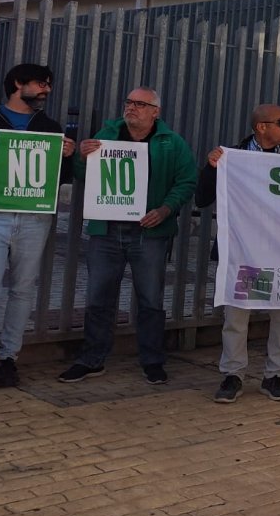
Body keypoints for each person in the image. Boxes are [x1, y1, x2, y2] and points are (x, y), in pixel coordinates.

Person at [59, 87, 197, 386]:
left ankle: (153, 360)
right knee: (98, 297)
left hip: (150, 232)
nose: (132, 107)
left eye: (140, 104)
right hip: (106, 230)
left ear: (155, 112)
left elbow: (187, 181)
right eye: (129, 102)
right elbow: (84, 174)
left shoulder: (171, 142)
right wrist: (82, 157)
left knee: (150, 299)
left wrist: (165, 209)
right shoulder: (107, 135)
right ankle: (91, 359)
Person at [0, 64, 75, 399]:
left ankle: (8, 359)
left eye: (49, 84)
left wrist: (68, 156)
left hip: (35, 218)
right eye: (41, 83)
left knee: (22, 289)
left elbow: (61, 178)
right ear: (18, 84)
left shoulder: (49, 127)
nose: (47, 90)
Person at [196, 104, 280, 404]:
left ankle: (274, 375)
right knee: (237, 314)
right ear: (262, 127)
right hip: (245, 251)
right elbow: (202, 198)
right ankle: (233, 374)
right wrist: (211, 168)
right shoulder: (232, 156)